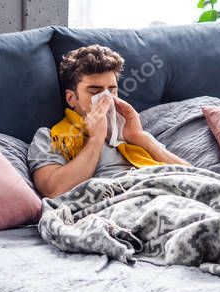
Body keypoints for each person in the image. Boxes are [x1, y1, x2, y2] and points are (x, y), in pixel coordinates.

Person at [28, 45, 190, 198]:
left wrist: (141, 138)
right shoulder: (49, 138)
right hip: (121, 199)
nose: (107, 98)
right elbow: (55, 190)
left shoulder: (130, 132)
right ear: (71, 98)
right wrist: (96, 140)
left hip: (165, 191)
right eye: (95, 91)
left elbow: (194, 177)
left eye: (112, 90)